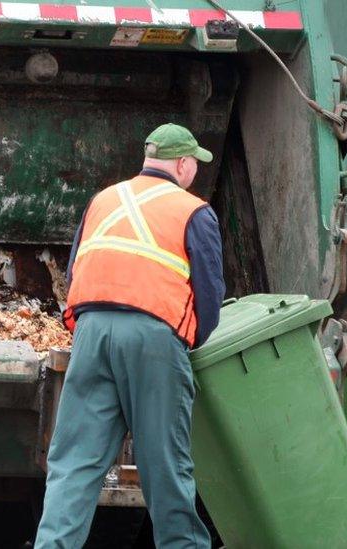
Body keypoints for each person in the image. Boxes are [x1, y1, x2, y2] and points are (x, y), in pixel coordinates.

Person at [35, 124, 225, 548]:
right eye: (195, 162)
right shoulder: (193, 210)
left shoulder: (103, 200)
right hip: (153, 340)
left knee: (75, 463)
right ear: (182, 164)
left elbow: (74, 271)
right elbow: (210, 292)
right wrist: (190, 339)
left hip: (91, 333)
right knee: (165, 466)